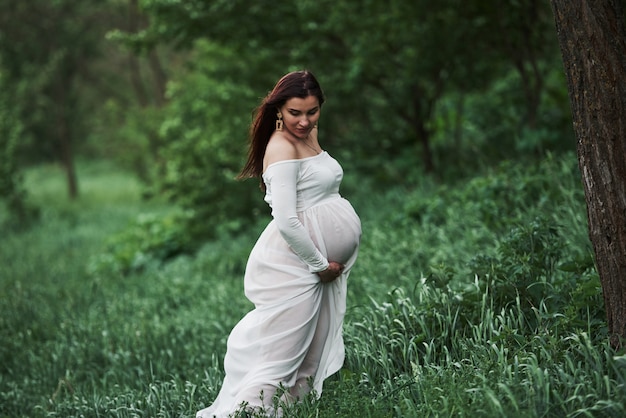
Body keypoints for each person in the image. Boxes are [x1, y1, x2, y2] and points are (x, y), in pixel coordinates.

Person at [196, 70, 361, 417]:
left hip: (317, 267)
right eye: (294, 113)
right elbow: (286, 219)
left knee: (309, 356)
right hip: (297, 265)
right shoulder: (281, 145)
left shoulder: (309, 134)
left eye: (312, 111)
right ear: (278, 110)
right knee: (281, 357)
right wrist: (320, 266)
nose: (304, 121)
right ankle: (248, 413)